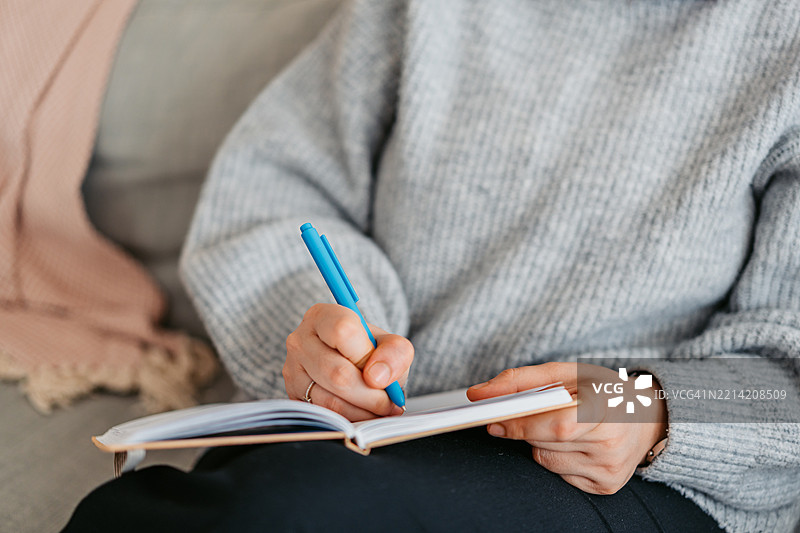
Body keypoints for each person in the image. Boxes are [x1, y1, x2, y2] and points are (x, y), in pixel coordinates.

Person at [63, 1, 800, 531]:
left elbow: (786, 386)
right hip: (363, 442)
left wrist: (639, 408)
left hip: (626, 483)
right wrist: (327, 336)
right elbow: (275, 187)